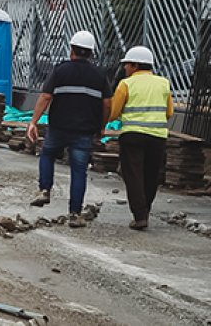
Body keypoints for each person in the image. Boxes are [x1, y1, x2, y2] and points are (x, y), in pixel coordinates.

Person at [27, 30, 110, 228]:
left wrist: (33, 122)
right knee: (79, 171)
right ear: (91, 53)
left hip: (59, 126)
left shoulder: (60, 70)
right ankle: (74, 214)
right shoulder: (100, 75)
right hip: (84, 130)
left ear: (72, 49)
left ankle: (44, 189)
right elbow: (107, 103)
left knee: (47, 154)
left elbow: (46, 96)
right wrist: (102, 126)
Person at [107, 46, 172, 231]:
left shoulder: (126, 84)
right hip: (158, 137)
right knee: (151, 175)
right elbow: (169, 112)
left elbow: (113, 113)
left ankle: (140, 215)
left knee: (133, 175)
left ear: (135, 65)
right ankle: (145, 211)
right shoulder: (164, 83)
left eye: (127, 64)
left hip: (133, 136)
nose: (125, 68)